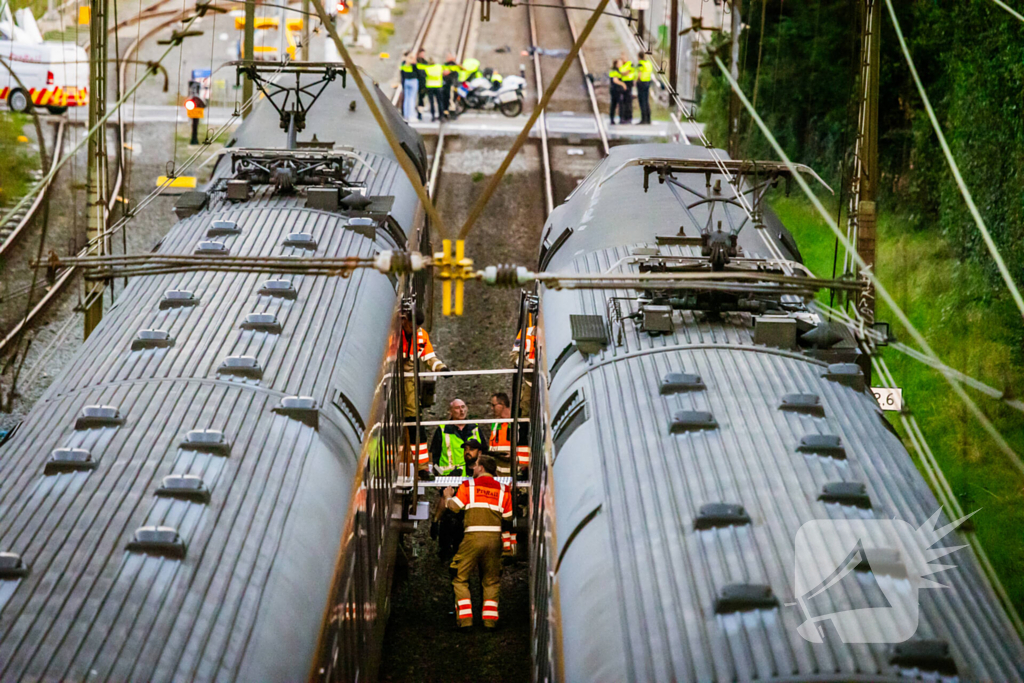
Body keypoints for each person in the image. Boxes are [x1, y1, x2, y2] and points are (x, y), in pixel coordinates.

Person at [443, 454, 512, 629]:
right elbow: (508, 516)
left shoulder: (469, 485)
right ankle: (489, 622)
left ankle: (465, 620)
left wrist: (447, 496)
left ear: (481, 468)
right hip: (494, 539)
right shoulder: (504, 489)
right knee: (491, 580)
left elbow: (455, 508)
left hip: (472, 538)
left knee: (460, 577)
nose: (473, 468)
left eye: (475, 465)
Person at [400, 305, 448, 478]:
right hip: (398, 379)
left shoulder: (420, 335)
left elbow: (429, 357)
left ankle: (422, 467)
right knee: (413, 424)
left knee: (416, 425)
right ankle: (421, 467)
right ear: (404, 320)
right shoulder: (393, 332)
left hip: (408, 382)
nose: (414, 330)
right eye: (411, 327)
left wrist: (441, 368)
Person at [430, 438, 485, 559]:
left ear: (479, 453)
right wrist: (435, 521)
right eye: (465, 449)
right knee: (450, 519)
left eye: (471, 449)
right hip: (460, 518)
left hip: (481, 517)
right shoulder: (457, 473)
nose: (467, 452)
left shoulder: (487, 473)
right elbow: (445, 496)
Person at [429, 398, 483, 475]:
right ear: (451, 412)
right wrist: (439, 476)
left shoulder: (475, 428)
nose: (461, 410)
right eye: (457, 408)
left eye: (463, 407)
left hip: (472, 476)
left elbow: (484, 453)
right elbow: (434, 457)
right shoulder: (442, 430)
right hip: (449, 478)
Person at [486, 392, 529, 475]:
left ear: (502, 405)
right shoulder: (495, 424)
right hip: (499, 473)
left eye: (493, 405)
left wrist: (514, 454)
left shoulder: (519, 422)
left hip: (517, 472)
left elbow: (526, 446)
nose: (491, 408)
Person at [424, 57, 445, 122]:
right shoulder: (439, 67)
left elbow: (424, 76)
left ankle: (433, 116)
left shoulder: (426, 68)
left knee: (431, 103)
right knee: (440, 102)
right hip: (438, 86)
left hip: (430, 87)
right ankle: (441, 116)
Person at [400, 52, 419, 122]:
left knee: (406, 99)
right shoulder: (413, 64)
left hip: (406, 81)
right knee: (412, 99)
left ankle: (406, 115)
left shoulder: (403, 64)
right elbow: (417, 71)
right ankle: (411, 116)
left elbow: (402, 73)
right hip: (413, 81)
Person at [636, 51, 653, 125]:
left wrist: (636, 81)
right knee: (646, 101)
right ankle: (648, 118)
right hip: (647, 82)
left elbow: (639, 74)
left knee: (642, 101)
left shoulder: (640, 64)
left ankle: (643, 119)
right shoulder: (648, 63)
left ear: (639, 57)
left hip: (641, 83)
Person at [619, 57, 635, 124]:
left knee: (628, 102)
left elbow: (626, 72)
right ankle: (623, 117)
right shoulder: (621, 66)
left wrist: (621, 73)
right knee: (623, 102)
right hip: (623, 84)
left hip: (628, 84)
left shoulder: (629, 64)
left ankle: (628, 117)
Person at [442, 53, 459, 118]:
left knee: (451, 99)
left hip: (452, 85)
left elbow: (455, 74)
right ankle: (445, 112)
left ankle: (452, 113)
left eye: (449, 57)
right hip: (446, 84)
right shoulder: (445, 65)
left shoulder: (455, 65)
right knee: (446, 99)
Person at [608, 60, 624, 124]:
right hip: (615, 90)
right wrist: (623, 84)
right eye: (620, 63)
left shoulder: (617, 71)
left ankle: (613, 119)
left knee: (614, 105)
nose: (621, 64)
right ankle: (619, 119)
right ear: (616, 64)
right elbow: (615, 80)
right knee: (618, 104)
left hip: (615, 89)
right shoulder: (614, 71)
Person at [416, 48, 428, 113]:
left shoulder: (425, 62)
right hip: (417, 80)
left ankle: (420, 109)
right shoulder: (416, 61)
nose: (423, 55)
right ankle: (418, 108)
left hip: (423, 81)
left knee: (422, 96)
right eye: (422, 53)